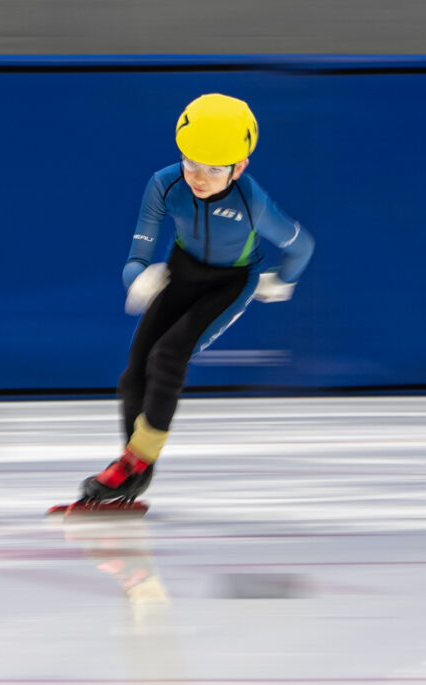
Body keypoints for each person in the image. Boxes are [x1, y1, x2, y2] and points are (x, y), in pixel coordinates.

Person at [79, 93, 315, 506]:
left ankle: (135, 463)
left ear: (240, 167)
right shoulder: (164, 184)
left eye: (213, 168)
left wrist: (282, 280)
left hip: (230, 283)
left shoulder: (251, 202)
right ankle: (134, 466)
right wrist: (139, 277)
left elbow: (302, 246)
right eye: (190, 163)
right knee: (133, 376)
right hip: (182, 273)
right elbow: (139, 252)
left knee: (167, 357)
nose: (199, 177)